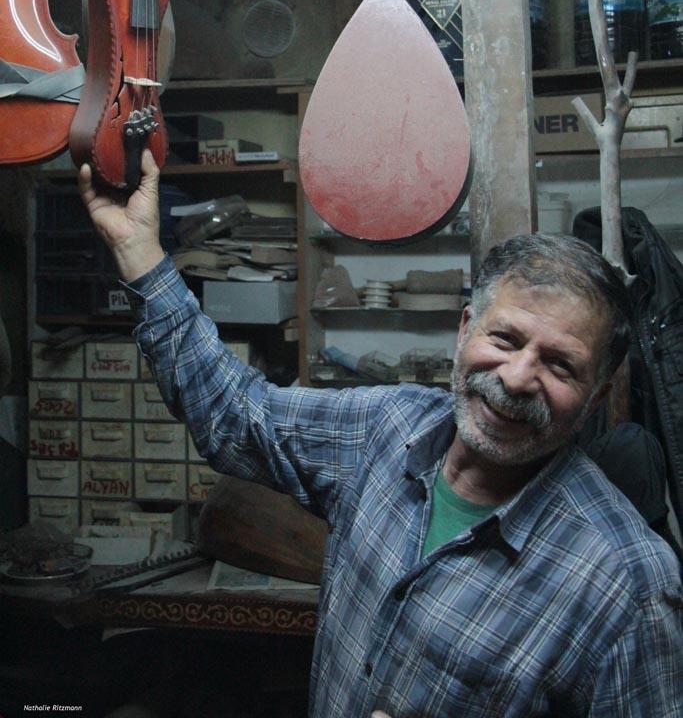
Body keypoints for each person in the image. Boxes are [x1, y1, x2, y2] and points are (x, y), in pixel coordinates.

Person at [79, 152, 683, 718]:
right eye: (505, 340)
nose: (518, 378)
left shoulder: (627, 586)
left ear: (598, 395)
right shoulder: (384, 428)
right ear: (465, 329)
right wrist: (140, 252)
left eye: (561, 365)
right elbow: (237, 415)